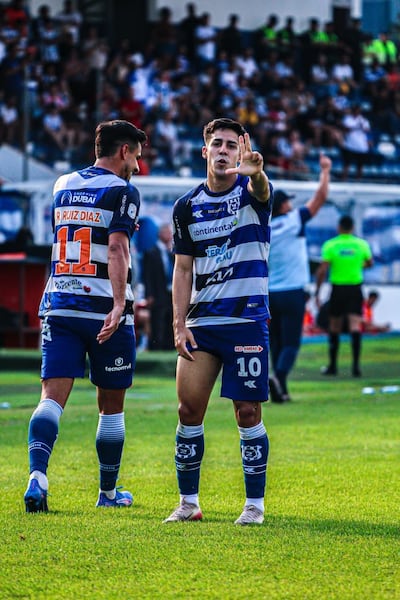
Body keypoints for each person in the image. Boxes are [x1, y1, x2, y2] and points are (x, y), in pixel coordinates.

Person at [23, 119, 147, 512]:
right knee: (111, 406)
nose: (137, 167)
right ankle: (108, 494)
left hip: (60, 304)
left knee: (50, 399)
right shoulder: (123, 190)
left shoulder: (62, 184)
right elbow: (116, 248)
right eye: (136, 158)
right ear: (123, 151)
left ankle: (37, 477)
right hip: (103, 311)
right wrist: (118, 304)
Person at [163, 117, 272, 526]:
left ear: (240, 151)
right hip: (203, 323)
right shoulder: (186, 206)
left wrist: (256, 173)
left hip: (246, 321)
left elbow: (262, 189)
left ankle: (254, 506)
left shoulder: (252, 192)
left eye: (231, 145)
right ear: (204, 151)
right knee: (188, 409)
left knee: (247, 413)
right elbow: (183, 270)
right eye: (217, 144)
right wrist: (179, 324)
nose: (224, 151)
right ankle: (188, 503)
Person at [268, 154, 332, 403]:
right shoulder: (294, 220)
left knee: (276, 341)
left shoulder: (265, 227)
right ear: (283, 206)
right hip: (293, 291)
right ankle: (279, 376)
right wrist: (325, 171)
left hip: (270, 293)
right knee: (291, 343)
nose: (291, 206)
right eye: (288, 202)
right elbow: (320, 198)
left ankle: (280, 390)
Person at [315, 215, 373, 377]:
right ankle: (356, 367)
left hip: (338, 288)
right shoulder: (361, 244)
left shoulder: (331, 245)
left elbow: (323, 270)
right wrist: (357, 264)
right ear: (352, 228)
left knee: (334, 326)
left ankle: (333, 366)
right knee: (355, 325)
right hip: (355, 288)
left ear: (339, 227)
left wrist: (318, 291)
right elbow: (370, 263)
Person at [142, 222, 175, 351]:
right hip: (157, 293)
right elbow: (147, 276)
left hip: (171, 292)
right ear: (161, 234)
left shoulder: (172, 253)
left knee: (170, 319)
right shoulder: (151, 253)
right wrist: (149, 294)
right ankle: (156, 347)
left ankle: (170, 347)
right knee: (158, 320)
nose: (170, 235)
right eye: (167, 232)